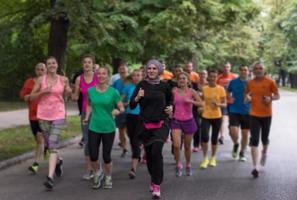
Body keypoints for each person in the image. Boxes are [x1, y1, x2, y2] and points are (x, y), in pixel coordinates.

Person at [130, 59, 173, 200]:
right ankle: (153, 177)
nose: (152, 71)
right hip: (145, 125)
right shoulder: (142, 85)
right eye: (149, 68)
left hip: (161, 124)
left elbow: (170, 102)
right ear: (146, 70)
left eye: (155, 68)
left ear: (159, 70)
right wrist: (137, 97)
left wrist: (171, 108)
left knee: (156, 152)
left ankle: (156, 185)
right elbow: (131, 104)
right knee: (149, 155)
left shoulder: (165, 86)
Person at [30, 56, 72, 190]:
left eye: (54, 63)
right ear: (46, 66)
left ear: (57, 65)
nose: (51, 65)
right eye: (49, 63)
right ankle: (59, 162)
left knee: (53, 145)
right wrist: (43, 91)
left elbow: (68, 95)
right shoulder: (41, 79)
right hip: (43, 115)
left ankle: (50, 178)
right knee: (49, 144)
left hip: (58, 114)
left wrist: (69, 90)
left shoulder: (63, 79)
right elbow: (31, 96)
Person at [83, 67, 124, 189]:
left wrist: (118, 110)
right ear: (96, 75)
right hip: (94, 126)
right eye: (99, 73)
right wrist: (86, 117)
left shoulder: (113, 92)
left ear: (107, 76)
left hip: (108, 127)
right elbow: (89, 105)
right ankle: (97, 173)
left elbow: (121, 107)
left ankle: (108, 177)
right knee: (93, 155)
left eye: (104, 73)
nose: (101, 75)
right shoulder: (90, 91)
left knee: (106, 156)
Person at [244, 62, 280, 178]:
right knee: (254, 140)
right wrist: (247, 98)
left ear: (264, 70)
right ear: (253, 71)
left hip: (266, 115)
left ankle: (264, 152)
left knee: (264, 139)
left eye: (260, 68)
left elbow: (277, 95)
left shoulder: (270, 82)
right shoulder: (250, 83)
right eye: (256, 69)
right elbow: (245, 99)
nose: (258, 70)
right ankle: (255, 167)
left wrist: (270, 98)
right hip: (254, 114)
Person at [171, 72, 202, 177]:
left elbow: (201, 103)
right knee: (176, 145)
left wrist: (191, 101)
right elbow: (168, 103)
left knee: (188, 146)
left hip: (188, 121)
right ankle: (178, 164)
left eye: (184, 78)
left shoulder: (192, 91)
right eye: (180, 79)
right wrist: (169, 111)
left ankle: (188, 164)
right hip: (176, 121)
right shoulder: (174, 91)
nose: (182, 80)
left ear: (188, 81)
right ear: (177, 81)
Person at [72, 54, 99, 180]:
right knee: (88, 141)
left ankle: (97, 168)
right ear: (82, 65)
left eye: (89, 62)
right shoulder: (79, 79)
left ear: (93, 64)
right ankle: (89, 170)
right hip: (85, 112)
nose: (87, 64)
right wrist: (70, 92)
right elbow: (76, 96)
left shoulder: (98, 77)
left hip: (99, 112)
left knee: (97, 141)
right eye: (85, 62)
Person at [20, 62, 47, 173]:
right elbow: (23, 94)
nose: (40, 71)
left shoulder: (48, 82)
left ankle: (35, 164)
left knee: (40, 139)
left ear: (45, 71)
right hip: (32, 116)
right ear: (35, 70)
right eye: (38, 69)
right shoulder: (29, 82)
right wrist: (26, 97)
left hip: (45, 115)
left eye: (42, 69)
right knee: (38, 141)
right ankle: (46, 150)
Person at [200, 69, 227, 169]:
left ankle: (213, 158)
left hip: (217, 116)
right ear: (208, 77)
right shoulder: (204, 88)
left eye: (214, 77)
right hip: (206, 116)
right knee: (205, 137)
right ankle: (205, 158)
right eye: (211, 76)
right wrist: (201, 107)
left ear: (216, 78)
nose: (212, 78)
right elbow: (202, 101)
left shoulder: (221, 89)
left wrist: (218, 104)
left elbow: (225, 104)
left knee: (214, 139)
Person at [122, 69, 143, 179]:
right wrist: (124, 104)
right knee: (132, 139)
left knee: (135, 141)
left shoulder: (145, 88)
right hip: (130, 116)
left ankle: (133, 168)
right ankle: (138, 151)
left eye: (138, 75)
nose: (136, 77)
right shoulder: (128, 87)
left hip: (141, 117)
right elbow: (120, 101)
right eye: (134, 75)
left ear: (142, 76)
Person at [227, 65, 250, 161]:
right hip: (234, 109)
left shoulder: (251, 83)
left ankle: (242, 153)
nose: (244, 71)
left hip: (247, 110)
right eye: (242, 70)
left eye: (246, 70)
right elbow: (227, 92)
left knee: (245, 134)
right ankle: (236, 144)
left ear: (248, 72)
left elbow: (256, 95)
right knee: (233, 131)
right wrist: (229, 98)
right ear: (239, 71)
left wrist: (250, 98)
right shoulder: (233, 82)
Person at [216, 62, 237, 144]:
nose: (226, 68)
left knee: (232, 121)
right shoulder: (219, 78)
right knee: (222, 118)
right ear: (223, 68)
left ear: (230, 68)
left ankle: (232, 132)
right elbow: (216, 89)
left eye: (228, 67)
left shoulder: (234, 77)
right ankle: (221, 136)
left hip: (232, 102)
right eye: (225, 67)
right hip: (223, 101)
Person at [112, 63, 129, 157]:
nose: (122, 71)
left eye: (124, 70)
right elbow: (112, 94)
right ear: (119, 72)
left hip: (131, 108)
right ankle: (125, 148)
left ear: (127, 71)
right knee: (121, 130)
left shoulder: (131, 82)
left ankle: (136, 145)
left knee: (129, 130)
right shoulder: (116, 82)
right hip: (119, 109)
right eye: (121, 70)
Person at [192, 70, 208, 152]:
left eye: (204, 74)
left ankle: (203, 143)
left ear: (207, 75)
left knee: (204, 127)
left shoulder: (209, 85)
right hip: (195, 108)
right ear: (199, 75)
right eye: (201, 74)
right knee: (197, 126)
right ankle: (196, 144)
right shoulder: (194, 85)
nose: (203, 75)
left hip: (206, 108)